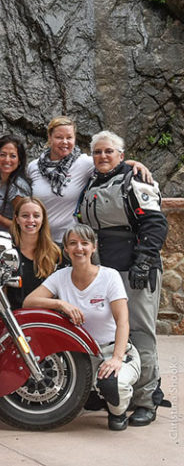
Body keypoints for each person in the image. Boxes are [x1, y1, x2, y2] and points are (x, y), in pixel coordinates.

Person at [77, 130, 168, 426]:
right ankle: (109, 390)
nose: (102, 156)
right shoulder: (92, 182)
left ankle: (146, 399)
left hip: (135, 270)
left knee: (140, 333)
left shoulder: (135, 180)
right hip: (104, 272)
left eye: (109, 151)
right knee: (107, 332)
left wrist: (144, 261)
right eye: (97, 152)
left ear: (121, 155)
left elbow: (155, 223)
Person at [23, 224, 141, 431]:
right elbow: (29, 302)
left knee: (112, 385)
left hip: (110, 350)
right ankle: (96, 395)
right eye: (73, 243)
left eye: (85, 243)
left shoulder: (109, 276)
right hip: (80, 358)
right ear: (66, 249)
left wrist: (116, 357)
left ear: (93, 247)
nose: (79, 248)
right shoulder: (61, 276)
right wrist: (61, 304)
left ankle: (118, 411)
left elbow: (123, 321)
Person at [27, 116, 150, 243]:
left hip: (70, 241)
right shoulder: (34, 167)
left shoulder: (84, 163)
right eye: (59, 137)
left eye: (69, 137)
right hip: (40, 239)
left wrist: (134, 164)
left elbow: (110, 163)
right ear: (49, 137)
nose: (64, 142)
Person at [7, 197, 62, 309]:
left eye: (36, 216)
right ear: (17, 219)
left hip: (47, 315)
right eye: (25, 216)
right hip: (15, 316)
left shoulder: (56, 252)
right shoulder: (7, 253)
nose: (31, 220)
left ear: (43, 219)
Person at [0, 135, 32, 231]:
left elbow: (24, 225)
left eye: (13, 156)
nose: (7, 160)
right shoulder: (0, 181)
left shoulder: (17, 188)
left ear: (19, 161)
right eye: (3, 155)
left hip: (12, 239)